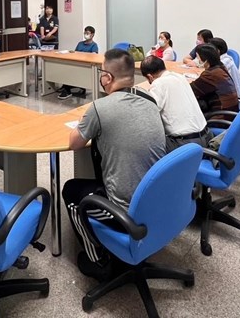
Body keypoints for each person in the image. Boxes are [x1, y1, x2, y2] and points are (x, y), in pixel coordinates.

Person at [64, 49, 166, 278]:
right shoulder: (150, 101)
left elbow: (74, 143)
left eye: (101, 72)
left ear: (107, 77)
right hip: (158, 201)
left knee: (71, 192)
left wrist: (84, 121)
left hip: (127, 211)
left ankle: (98, 261)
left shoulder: (100, 107)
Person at [140, 55, 211, 151]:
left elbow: (150, 112)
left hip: (186, 144)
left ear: (150, 76)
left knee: (144, 143)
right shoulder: (180, 77)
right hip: (206, 136)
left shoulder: (158, 84)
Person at [190, 44, 239, 113]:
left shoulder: (211, 74)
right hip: (230, 110)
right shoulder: (220, 66)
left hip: (220, 115)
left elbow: (190, 90)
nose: (197, 60)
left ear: (206, 60)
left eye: (198, 58)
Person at [58, 26, 99, 99]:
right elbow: (75, 53)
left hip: (87, 67)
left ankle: (67, 89)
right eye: (85, 32)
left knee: (73, 72)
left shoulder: (94, 45)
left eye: (87, 33)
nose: (85, 34)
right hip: (77, 64)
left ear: (92, 35)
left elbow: (93, 56)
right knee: (67, 69)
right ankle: (66, 87)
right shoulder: (80, 43)